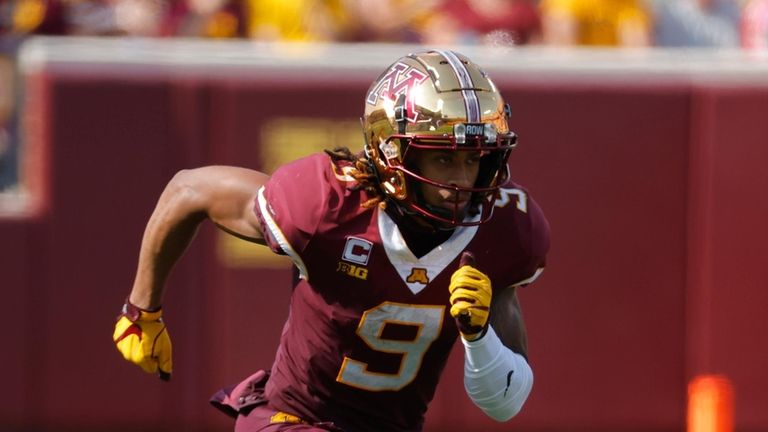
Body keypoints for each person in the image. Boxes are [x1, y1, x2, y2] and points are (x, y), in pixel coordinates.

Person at [112, 50, 550, 432]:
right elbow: (191, 189)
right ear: (393, 155)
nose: (461, 180)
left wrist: (478, 337)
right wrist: (141, 309)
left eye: (474, 159)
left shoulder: (504, 230)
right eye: (442, 158)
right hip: (295, 419)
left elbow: (504, 406)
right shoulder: (326, 204)